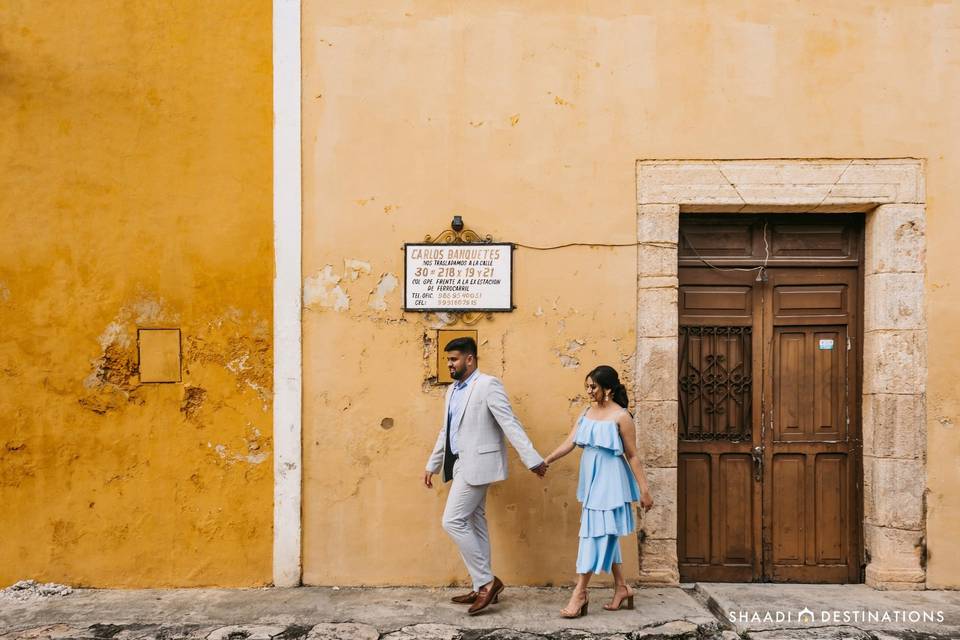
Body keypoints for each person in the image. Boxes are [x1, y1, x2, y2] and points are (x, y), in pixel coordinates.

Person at [423, 336, 549, 615]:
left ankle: (487, 582)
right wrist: (432, 464)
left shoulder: (488, 385)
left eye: (454, 359)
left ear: (470, 359)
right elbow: (447, 431)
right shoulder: (452, 391)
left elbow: (509, 422)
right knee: (474, 521)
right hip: (458, 465)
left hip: (478, 465)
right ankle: (482, 585)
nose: (449, 365)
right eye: (447, 360)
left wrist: (532, 459)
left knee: (452, 520)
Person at [543, 365, 654, 618]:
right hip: (592, 479)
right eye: (587, 386)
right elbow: (570, 442)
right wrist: (546, 460)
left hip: (611, 480)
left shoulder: (621, 417)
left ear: (608, 388)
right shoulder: (586, 412)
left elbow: (633, 455)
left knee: (593, 534)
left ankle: (580, 592)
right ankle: (622, 587)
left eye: (593, 386)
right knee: (604, 531)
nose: (589, 391)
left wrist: (644, 490)